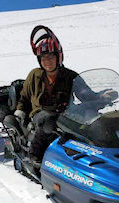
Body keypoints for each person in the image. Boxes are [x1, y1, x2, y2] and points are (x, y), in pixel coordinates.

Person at [14, 25, 78, 164]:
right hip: (40, 113)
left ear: (58, 56)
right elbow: (24, 96)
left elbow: (85, 93)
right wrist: (19, 112)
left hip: (65, 113)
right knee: (48, 119)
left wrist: (102, 98)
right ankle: (34, 155)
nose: (47, 61)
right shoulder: (35, 75)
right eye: (43, 57)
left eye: (50, 56)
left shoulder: (70, 76)